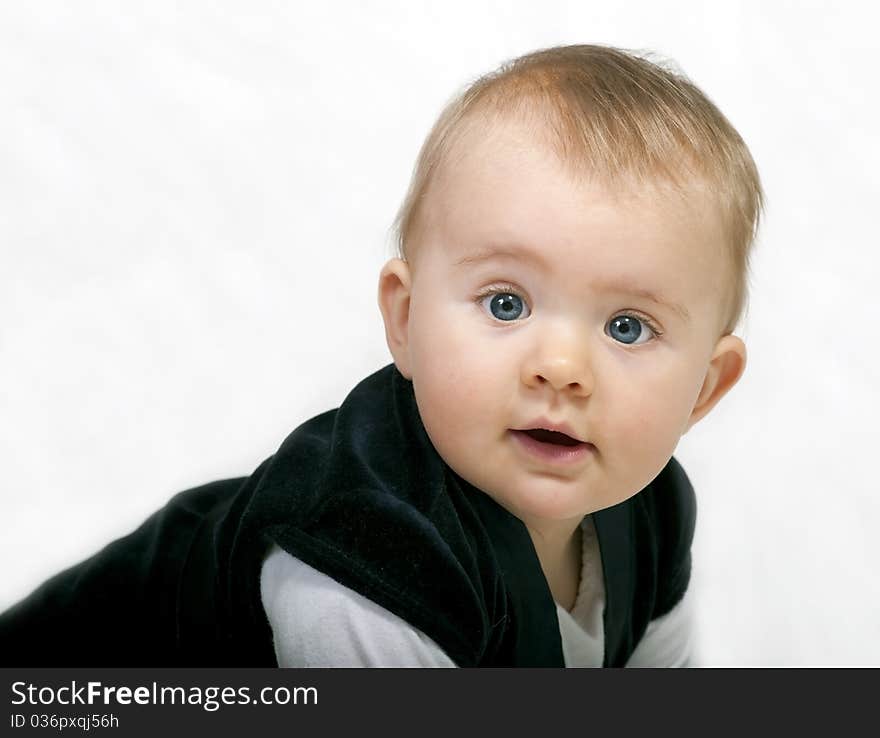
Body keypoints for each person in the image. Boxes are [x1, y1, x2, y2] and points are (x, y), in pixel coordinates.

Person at [0, 43, 763, 668]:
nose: (561, 367)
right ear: (404, 321)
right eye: (506, 303)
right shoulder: (364, 568)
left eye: (627, 327)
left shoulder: (654, 515)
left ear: (705, 387)